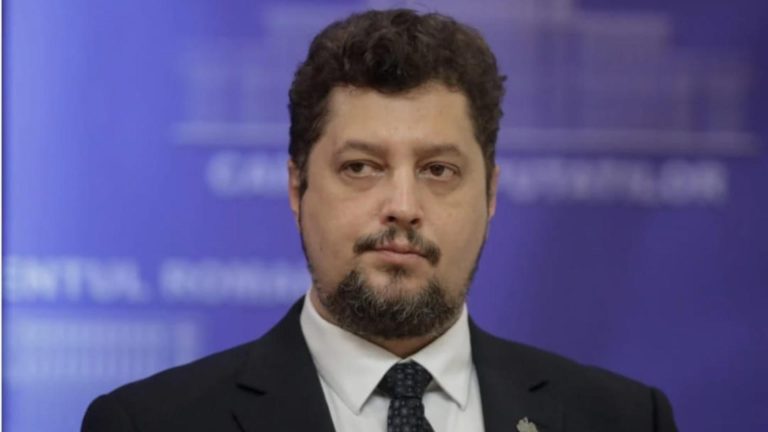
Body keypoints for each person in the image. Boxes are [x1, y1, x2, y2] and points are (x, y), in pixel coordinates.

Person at [82, 9, 677, 432]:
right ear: (297, 187)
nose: (403, 204)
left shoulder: (623, 419)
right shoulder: (151, 422)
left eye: (439, 170)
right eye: (362, 167)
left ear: (491, 193)